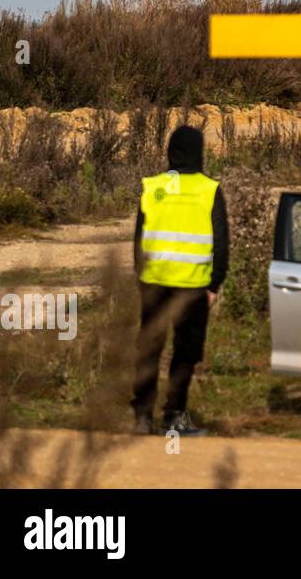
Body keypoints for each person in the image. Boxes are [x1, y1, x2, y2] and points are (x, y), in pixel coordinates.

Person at [130, 125, 228, 436]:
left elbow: (138, 239)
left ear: (170, 151)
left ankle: (142, 417)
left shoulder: (153, 187)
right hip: (193, 287)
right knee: (185, 354)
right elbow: (221, 243)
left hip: (154, 284)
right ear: (200, 151)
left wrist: (140, 277)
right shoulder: (209, 190)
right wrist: (214, 284)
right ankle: (173, 416)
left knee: (149, 350)